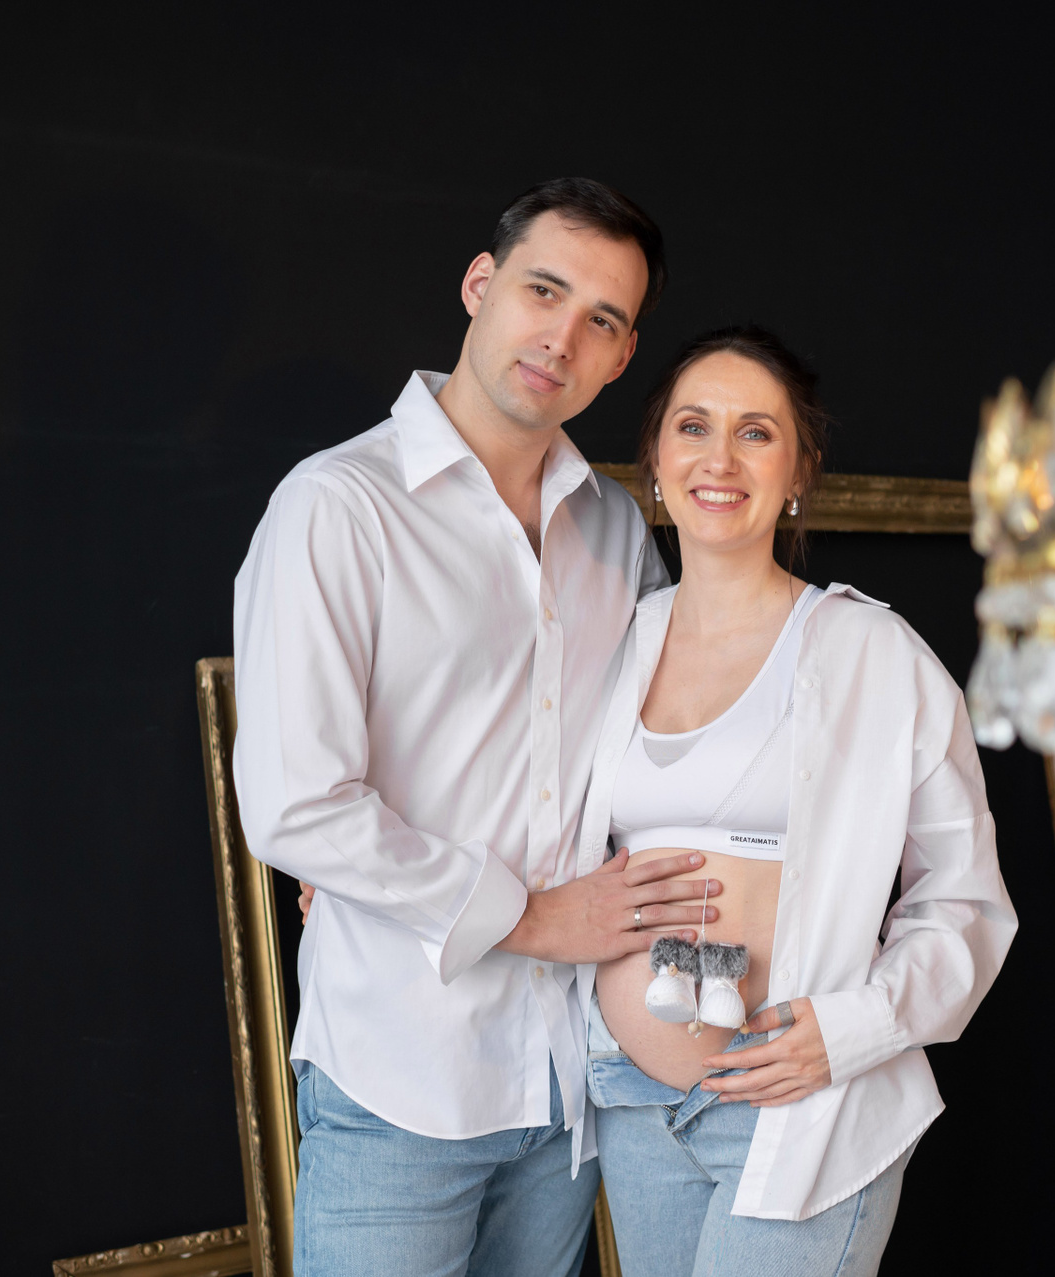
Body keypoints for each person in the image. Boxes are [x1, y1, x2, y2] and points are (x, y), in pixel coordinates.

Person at [232, 177, 723, 1277]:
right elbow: (295, 803)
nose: (562, 337)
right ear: (479, 284)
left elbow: (653, 764)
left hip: (568, 1084)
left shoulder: (617, 531)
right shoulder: (337, 506)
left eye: (601, 319)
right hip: (399, 1077)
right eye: (544, 291)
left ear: (622, 356)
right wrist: (534, 916)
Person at [578, 328, 1018, 1276]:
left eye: (756, 432)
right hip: (632, 1100)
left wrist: (854, 1030)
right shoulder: (611, 645)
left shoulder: (872, 652)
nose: (720, 458)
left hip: (798, 1103)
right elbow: (517, 801)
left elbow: (965, 896)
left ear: (798, 470)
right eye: (693, 426)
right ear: (655, 459)